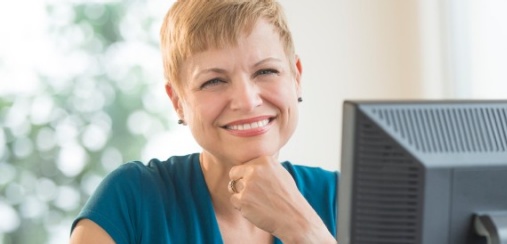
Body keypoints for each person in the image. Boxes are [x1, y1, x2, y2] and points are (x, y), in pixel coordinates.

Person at [69, 0, 337, 243]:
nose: (246, 100)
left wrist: (304, 230)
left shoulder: (346, 196)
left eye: (266, 71)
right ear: (177, 102)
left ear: (296, 78)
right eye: (214, 81)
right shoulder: (129, 201)